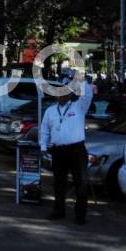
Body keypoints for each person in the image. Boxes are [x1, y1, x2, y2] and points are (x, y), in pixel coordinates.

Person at [39, 72, 94, 225]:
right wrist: (43, 146)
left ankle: (80, 215)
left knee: (80, 183)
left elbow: (88, 93)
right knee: (59, 182)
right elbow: (44, 130)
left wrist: (78, 80)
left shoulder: (79, 107)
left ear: (70, 95)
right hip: (58, 150)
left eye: (64, 92)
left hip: (77, 149)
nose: (60, 95)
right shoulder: (50, 111)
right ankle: (58, 210)